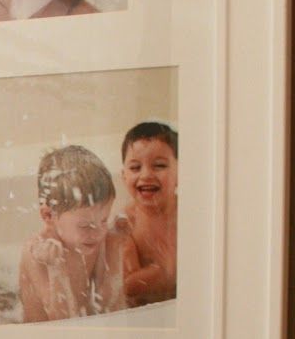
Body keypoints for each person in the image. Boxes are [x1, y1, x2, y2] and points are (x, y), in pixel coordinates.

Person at [18, 145, 124, 322]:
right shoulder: (36, 253)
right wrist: (56, 268)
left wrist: (116, 248)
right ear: (49, 216)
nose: (98, 232)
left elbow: (111, 307)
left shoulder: (94, 239)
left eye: (104, 220)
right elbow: (62, 322)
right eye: (85, 226)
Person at [113, 122, 178, 307]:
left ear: (181, 173)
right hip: (146, 312)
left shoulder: (189, 214)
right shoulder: (126, 223)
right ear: (123, 176)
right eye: (135, 168)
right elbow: (129, 287)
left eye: (159, 165)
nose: (146, 175)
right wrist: (166, 272)